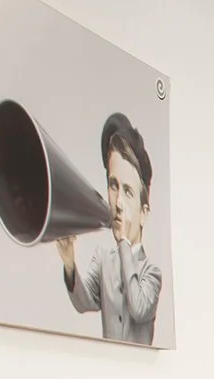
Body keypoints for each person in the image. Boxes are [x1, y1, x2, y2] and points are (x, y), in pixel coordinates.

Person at [57, 113, 163, 345]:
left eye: (128, 191)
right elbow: (84, 303)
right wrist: (69, 263)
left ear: (144, 213)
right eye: (113, 186)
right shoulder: (103, 258)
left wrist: (124, 242)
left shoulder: (152, 273)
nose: (117, 203)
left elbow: (138, 308)